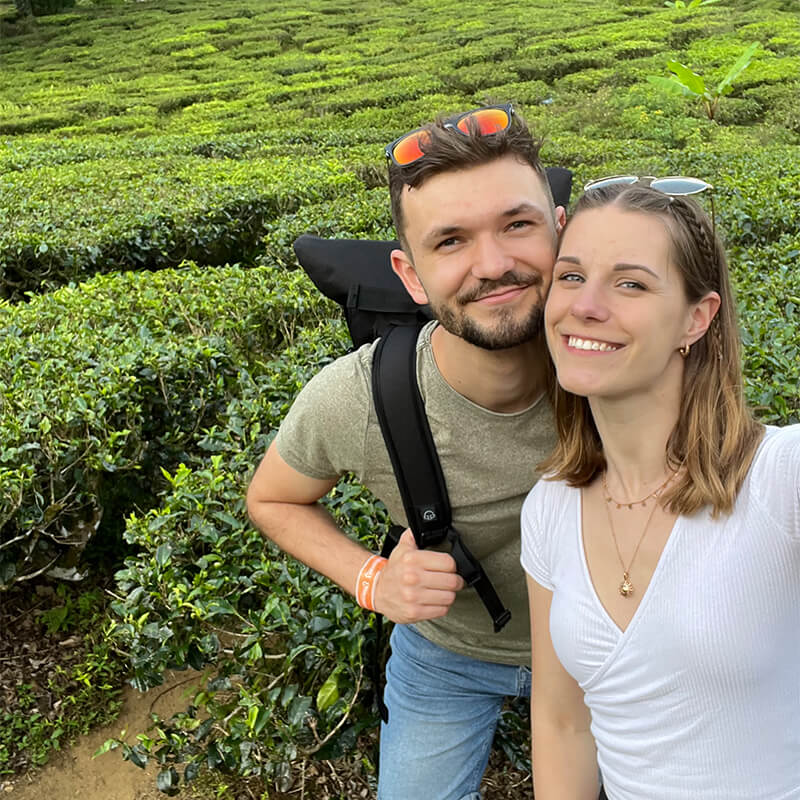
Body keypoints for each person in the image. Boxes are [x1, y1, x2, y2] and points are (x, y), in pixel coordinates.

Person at [246, 103, 566, 800]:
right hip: (447, 657)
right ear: (411, 274)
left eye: (518, 224)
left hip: (606, 649)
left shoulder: (633, 366)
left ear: (561, 231)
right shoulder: (358, 397)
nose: (495, 264)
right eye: (450, 241)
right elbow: (270, 497)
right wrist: (372, 580)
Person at [521, 179, 800, 800]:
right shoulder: (549, 507)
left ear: (696, 319)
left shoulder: (780, 479)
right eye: (570, 276)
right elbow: (564, 721)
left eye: (631, 283)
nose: (586, 306)